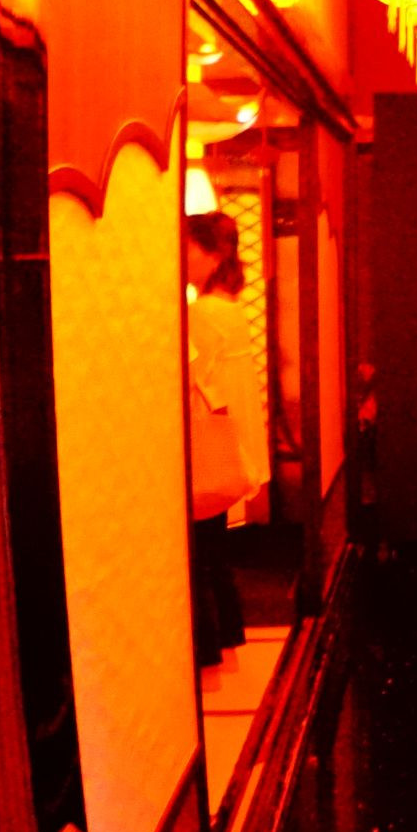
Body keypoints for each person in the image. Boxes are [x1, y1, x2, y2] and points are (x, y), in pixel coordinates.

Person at [184, 207, 256, 665]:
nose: (181, 258)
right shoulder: (229, 308)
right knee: (214, 548)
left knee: (201, 551)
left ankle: (210, 651)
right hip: (228, 440)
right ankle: (228, 640)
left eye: (188, 249)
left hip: (205, 439)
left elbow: (191, 374)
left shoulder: (203, 313)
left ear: (213, 256)